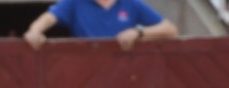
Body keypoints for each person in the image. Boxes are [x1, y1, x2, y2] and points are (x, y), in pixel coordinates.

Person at [23, 0, 178, 51]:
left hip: (128, 74)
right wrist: (34, 31)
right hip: (85, 73)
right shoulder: (75, 2)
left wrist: (138, 32)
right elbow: (49, 17)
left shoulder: (130, 3)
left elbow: (170, 29)